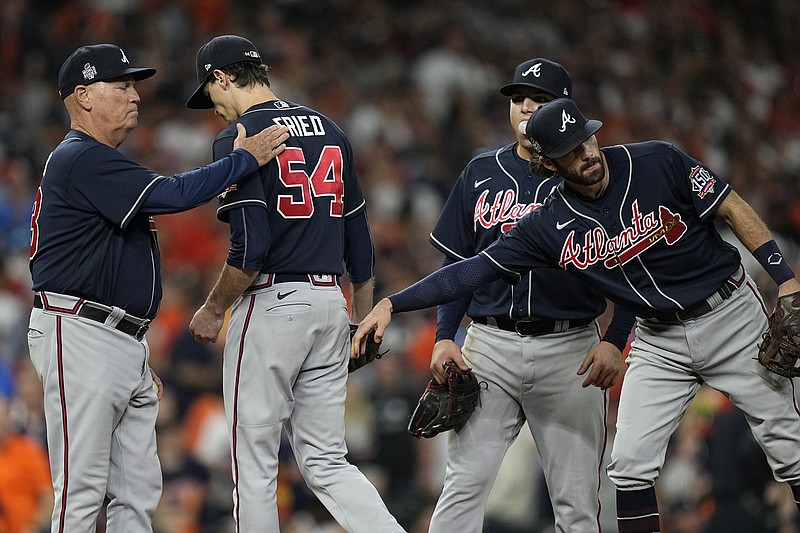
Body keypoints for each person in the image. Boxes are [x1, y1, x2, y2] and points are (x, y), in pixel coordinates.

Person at [352, 97, 800, 533]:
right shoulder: (548, 225)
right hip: (659, 338)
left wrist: (786, 278)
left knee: (791, 447)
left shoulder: (657, 160)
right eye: (571, 150)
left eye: (587, 139)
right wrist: (393, 302)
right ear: (549, 164)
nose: (587, 153)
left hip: (728, 313)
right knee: (627, 466)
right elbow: (469, 272)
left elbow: (732, 206)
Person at [27, 43, 289, 533]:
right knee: (80, 492)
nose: (135, 96)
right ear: (83, 96)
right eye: (122, 85)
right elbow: (173, 194)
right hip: (79, 332)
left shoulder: (98, 164)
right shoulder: (80, 158)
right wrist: (243, 161)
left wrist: (131, 347)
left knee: (137, 494)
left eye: (135, 86)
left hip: (114, 338)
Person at [185, 35, 405, 533]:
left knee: (253, 463)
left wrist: (214, 308)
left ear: (222, 77)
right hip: (331, 302)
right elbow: (360, 243)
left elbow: (250, 249)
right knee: (327, 460)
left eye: (211, 94)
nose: (213, 109)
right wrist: (362, 319)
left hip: (270, 301)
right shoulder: (330, 129)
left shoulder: (240, 136)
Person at [425, 58, 631, 533]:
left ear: (565, 111)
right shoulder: (481, 172)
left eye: (539, 100)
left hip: (571, 349)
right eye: (519, 98)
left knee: (577, 503)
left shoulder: (591, 175)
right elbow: (458, 264)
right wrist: (443, 335)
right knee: (463, 485)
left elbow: (633, 269)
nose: (525, 107)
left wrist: (616, 338)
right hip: (490, 345)